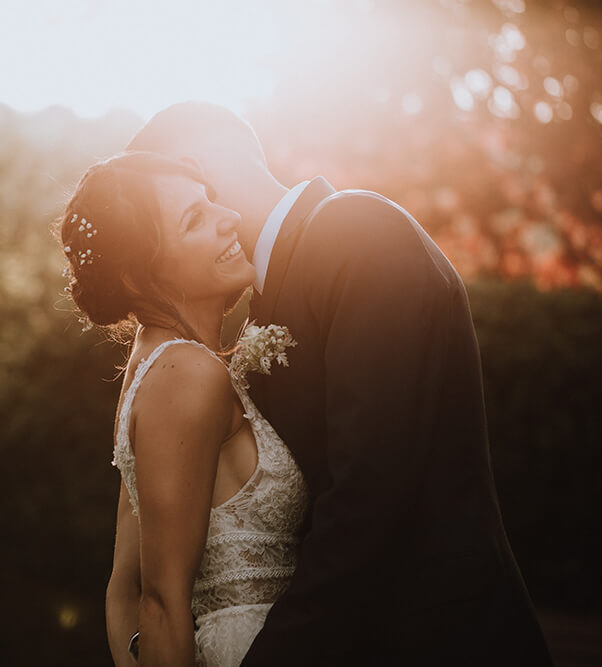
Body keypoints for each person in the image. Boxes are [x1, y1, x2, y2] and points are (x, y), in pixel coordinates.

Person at [126, 101, 553, 665]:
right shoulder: (265, 300)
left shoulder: (361, 231)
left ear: (192, 170)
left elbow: (369, 497)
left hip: (443, 640)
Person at [58, 151, 309, 666]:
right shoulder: (188, 375)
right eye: (195, 220)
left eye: (211, 202)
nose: (230, 218)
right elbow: (161, 602)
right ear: (139, 278)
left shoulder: (153, 367)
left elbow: (122, 591)